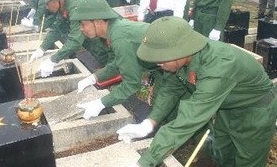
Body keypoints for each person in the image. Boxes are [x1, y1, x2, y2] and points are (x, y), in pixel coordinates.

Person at [117, 16, 277, 167]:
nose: (159, 64)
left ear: (179, 52)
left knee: (248, 159)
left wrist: (146, 161)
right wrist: (150, 122)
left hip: (254, 111)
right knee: (223, 152)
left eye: (161, 59)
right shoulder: (183, 60)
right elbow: (171, 89)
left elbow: (189, 119)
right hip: (226, 106)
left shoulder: (218, 67)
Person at [75, 0, 173, 120]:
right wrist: (94, 78)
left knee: (171, 107)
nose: (81, 28)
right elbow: (119, 62)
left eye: (83, 24)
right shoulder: (116, 29)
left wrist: (101, 103)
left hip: (177, 63)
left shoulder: (119, 38)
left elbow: (131, 84)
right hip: (162, 65)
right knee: (162, 106)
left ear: (98, 22)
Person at [29, 0, 110, 77]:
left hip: (104, 39)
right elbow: (57, 28)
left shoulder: (75, 6)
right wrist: (42, 48)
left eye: (47, 4)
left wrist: (53, 59)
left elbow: (75, 40)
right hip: (93, 37)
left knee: (110, 61)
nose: (46, 7)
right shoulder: (64, 5)